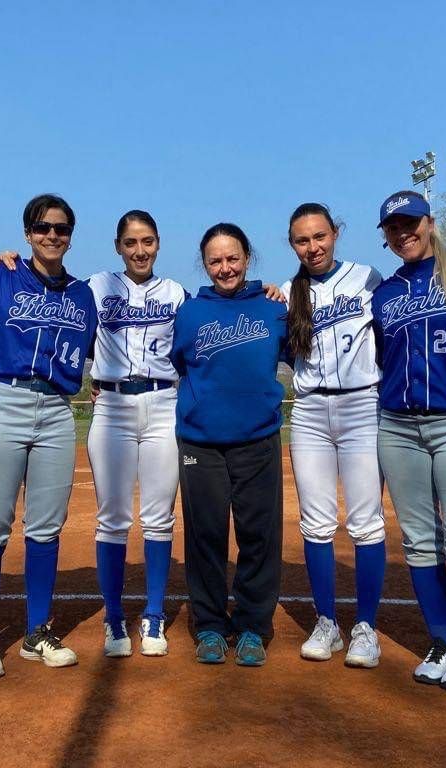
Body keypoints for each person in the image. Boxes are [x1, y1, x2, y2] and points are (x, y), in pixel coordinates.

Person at [0, 194, 97, 675]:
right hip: (2, 400)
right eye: (42, 227)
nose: (51, 235)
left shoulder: (82, 294)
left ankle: (37, 631)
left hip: (56, 408)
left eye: (61, 228)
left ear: (70, 235)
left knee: (46, 527)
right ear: (27, 232)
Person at [371, 191, 446, 691]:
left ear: (430, 222)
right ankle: (442, 641)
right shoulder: (385, 292)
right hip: (398, 426)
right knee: (420, 541)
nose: (404, 233)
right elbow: (381, 355)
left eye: (410, 223)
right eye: (393, 228)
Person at [170, 223, 288, 667]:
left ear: (247, 257)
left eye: (233, 258)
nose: (225, 267)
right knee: (206, 536)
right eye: (215, 260)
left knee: (259, 536)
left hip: (257, 438)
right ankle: (211, 626)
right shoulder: (191, 312)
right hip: (201, 442)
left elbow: (292, 354)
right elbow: (182, 361)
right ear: (205, 264)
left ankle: (254, 626)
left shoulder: (273, 308)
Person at [281, 203, 386, 667]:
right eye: (302, 240)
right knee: (316, 521)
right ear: (292, 245)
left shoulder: (368, 279)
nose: (313, 247)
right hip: (308, 411)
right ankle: (327, 622)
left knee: (366, 522)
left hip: (363, 403)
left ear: (336, 234)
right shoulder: (286, 292)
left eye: (319, 236)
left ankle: (365, 626)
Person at [86, 211, 186, 657]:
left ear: (159, 243)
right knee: (113, 517)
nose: (139, 251)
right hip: (112, 405)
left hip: (164, 405)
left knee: (159, 515)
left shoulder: (177, 294)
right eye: (130, 243)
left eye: (147, 241)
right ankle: (112, 616)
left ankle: (153, 613)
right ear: (118, 246)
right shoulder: (96, 287)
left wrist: (263, 289)